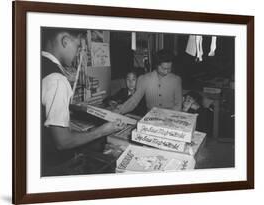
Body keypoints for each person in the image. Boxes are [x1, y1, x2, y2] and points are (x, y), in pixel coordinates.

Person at [41, 27, 125, 172]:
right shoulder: (57, 80)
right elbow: (63, 142)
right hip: (53, 164)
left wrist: (77, 106)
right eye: (78, 46)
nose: (79, 53)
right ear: (65, 41)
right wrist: (102, 131)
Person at [116, 49, 182, 114]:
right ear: (157, 65)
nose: (166, 71)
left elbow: (178, 105)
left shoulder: (176, 80)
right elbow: (134, 100)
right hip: (150, 117)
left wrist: (167, 116)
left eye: (169, 68)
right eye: (163, 68)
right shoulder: (144, 79)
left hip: (170, 116)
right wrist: (120, 110)